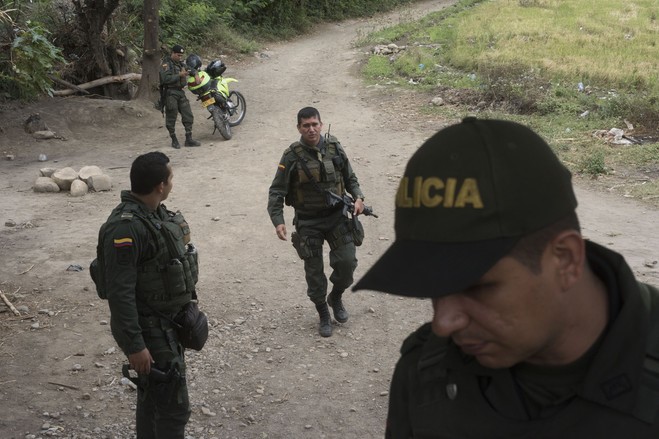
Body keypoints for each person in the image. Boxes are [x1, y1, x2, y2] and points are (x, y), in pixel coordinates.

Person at [353, 117, 659, 437]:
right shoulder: (426, 373)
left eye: (476, 286)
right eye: (436, 286)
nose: (443, 323)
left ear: (565, 261)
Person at [97, 151, 199, 438]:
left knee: (154, 397)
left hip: (166, 324)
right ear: (160, 186)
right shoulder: (126, 228)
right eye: (171, 178)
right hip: (150, 330)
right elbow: (120, 293)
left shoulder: (153, 213)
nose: (171, 182)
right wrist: (135, 345)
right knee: (173, 408)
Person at [267, 106, 366, 337]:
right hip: (308, 222)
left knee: (347, 264)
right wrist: (278, 220)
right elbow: (277, 190)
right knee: (314, 272)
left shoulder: (334, 147)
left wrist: (359, 197)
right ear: (299, 128)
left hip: (336, 218)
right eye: (306, 125)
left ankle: (336, 297)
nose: (311, 129)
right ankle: (322, 311)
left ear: (321, 124)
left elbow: (350, 177)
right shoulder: (291, 155)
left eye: (314, 124)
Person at [159, 44, 200, 149]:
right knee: (171, 117)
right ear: (172, 53)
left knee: (188, 115)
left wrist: (195, 74)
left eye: (181, 55)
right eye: (178, 55)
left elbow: (190, 69)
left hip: (180, 92)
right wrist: (179, 75)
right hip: (170, 93)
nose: (180, 57)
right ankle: (174, 139)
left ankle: (189, 138)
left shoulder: (180, 64)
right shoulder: (166, 64)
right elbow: (165, 79)